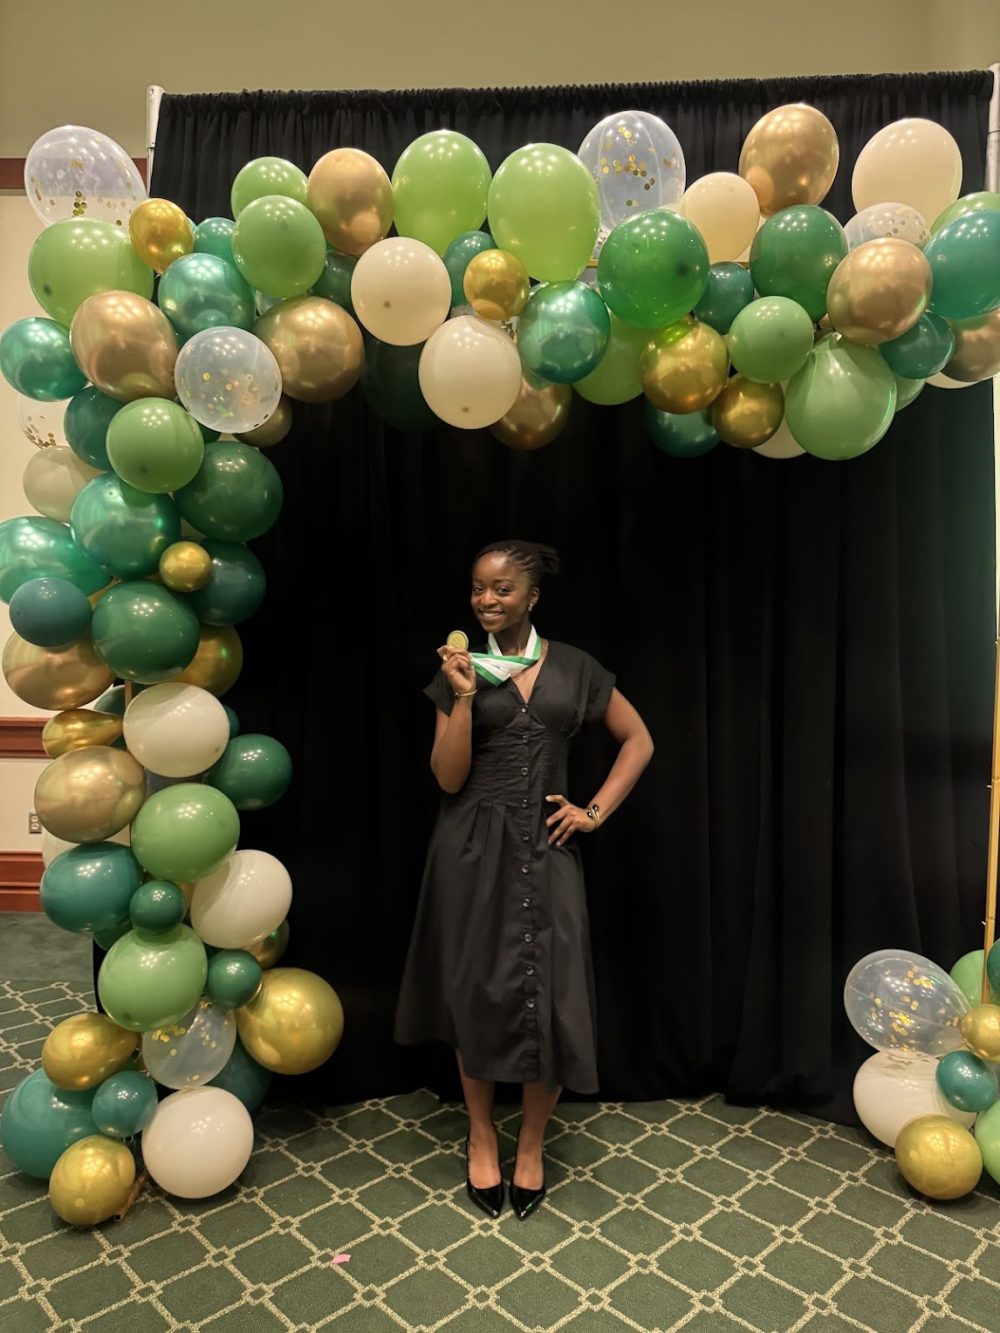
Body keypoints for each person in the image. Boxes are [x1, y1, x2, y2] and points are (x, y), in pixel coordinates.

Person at [394, 539, 654, 1219]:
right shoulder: (461, 668)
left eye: (502, 588)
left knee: (554, 995)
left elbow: (639, 740)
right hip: (469, 849)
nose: (486, 599)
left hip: (548, 848)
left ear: (532, 596)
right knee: (476, 991)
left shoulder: (575, 667)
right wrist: (460, 698)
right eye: (478, 587)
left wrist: (593, 810)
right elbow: (447, 777)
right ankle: (482, 1135)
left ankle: (532, 1143)